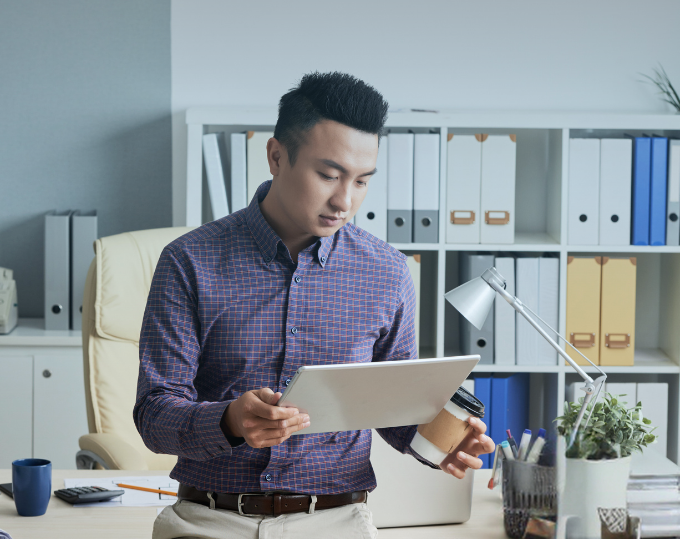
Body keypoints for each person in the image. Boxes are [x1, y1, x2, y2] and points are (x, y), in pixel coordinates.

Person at [134, 72, 495, 539]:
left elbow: (394, 409)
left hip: (335, 522)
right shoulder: (189, 261)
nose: (344, 200)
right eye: (328, 175)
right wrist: (229, 420)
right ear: (276, 156)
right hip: (209, 521)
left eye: (362, 181)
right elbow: (154, 415)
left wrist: (441, 442)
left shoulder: (387, 272)